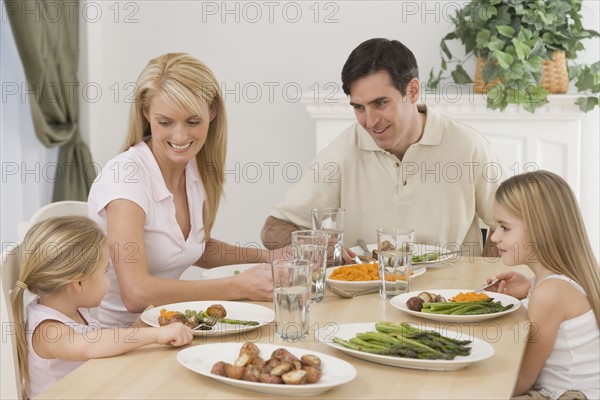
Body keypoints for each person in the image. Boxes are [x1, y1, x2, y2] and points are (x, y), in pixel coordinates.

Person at [88, 53, 284, 327]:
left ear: (212, 111)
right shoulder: (126, 178)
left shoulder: (193, 169)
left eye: (192, 122)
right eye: (165, 122)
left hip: (171, 329)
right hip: (123, 343)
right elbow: (136, 294)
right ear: (146, 113)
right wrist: (238, 286)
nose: (180, 137)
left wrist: (268, 257)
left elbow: (192, 248)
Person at [261, 38, 502, 259]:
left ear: (412, 90)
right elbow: (274, 228)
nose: (370, 121)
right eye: (359, 107)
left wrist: (486, 277)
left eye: (380, 103)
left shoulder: (469, 147)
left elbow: (512, 225)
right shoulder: (341, 153)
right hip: (370, 295)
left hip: (451, 295)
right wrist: (317, 246)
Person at [10, 216, 193, 399]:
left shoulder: (74, 310)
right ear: (79, 282)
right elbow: (89, 345)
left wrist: (137, 329)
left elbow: (102, 346)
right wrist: (157, 335)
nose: (108, 280)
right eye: (105, 271)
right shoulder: (47, 330)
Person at [485, 171, 599, 399]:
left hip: (569, 394)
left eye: (504, 227)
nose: (494, 237)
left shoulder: (550, 293)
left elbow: (520, 380)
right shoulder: (559, 281)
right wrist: (529, 289)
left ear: (541, 229)